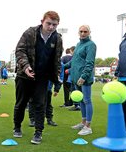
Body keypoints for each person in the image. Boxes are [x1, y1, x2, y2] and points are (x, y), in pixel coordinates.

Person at [13, 11, 63, 145]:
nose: (51, 27)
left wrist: (56, 74)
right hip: (24, 75)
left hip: (42, 77)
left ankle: (38, 132)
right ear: (42, 21)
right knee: (21, 104)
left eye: (54, 24)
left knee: (40, 104)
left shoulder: (58, 38)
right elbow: (20, 50)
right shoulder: (30, 33)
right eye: (49, 23)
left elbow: (57, 59)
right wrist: (25, 66)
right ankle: (17, 126)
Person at [65, 25, 97, 136]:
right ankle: (83, 122)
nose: (83, 33)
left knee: (87, 100)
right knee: (81, 100)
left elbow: (89, 63)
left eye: (85, 31)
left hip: (84, 78)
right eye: (81, 31)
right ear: (78, 32)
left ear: (89, 32)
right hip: (75, 78)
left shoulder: (91, 45)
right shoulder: (78, 44)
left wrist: (83, 77)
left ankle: (88, 126)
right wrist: (62, 66)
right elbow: (74, 61)